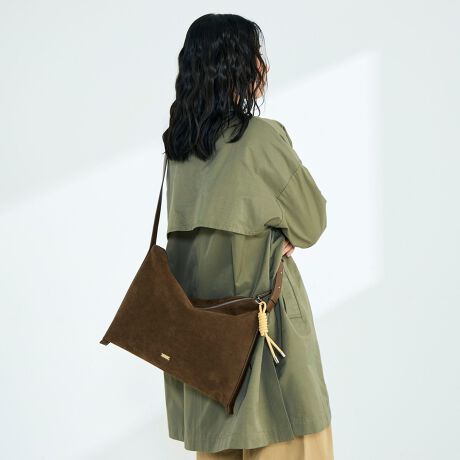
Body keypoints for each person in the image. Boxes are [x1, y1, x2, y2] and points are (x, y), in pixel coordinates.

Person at [161, 13, 334, 460]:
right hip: (267, 337)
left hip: (206, 353)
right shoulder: (261, 139)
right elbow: (311, 222)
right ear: (234, 65)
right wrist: (283, 234)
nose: (264, 66)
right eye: (255, 55)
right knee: (291, 439)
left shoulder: (178, 150)